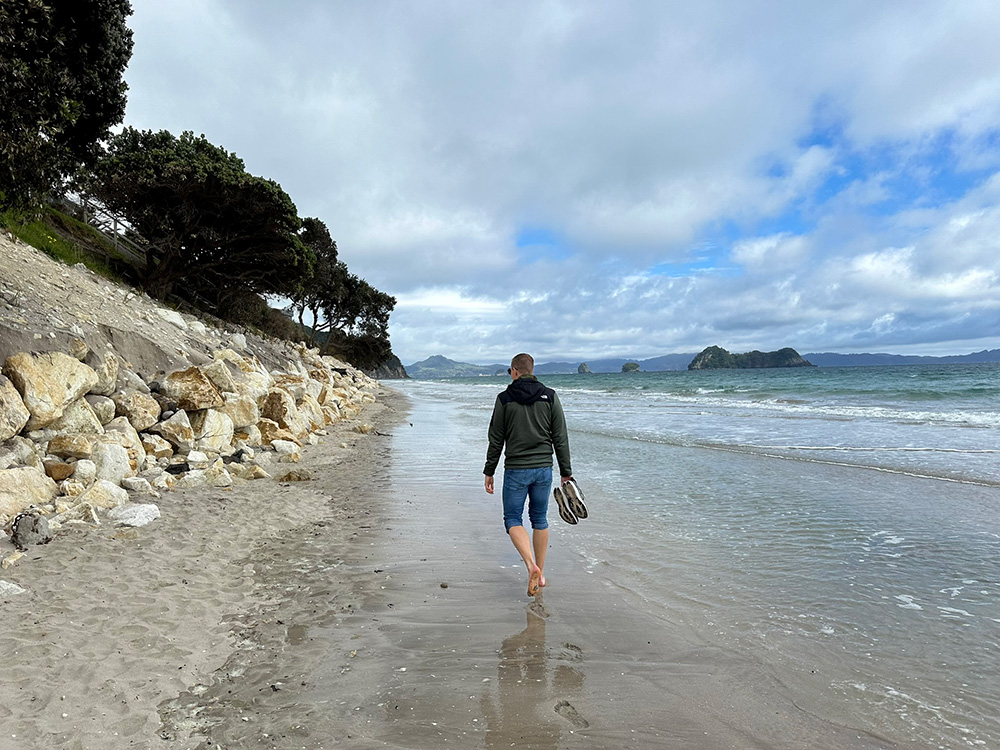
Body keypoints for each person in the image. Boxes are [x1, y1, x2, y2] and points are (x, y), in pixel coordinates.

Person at [484, 353, 573, 597]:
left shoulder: (504, 399)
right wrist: (566, 472)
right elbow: (560, 436)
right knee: (540, 519)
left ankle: (530, 565)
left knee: (513, 519)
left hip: (516, 469)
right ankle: (540, 573)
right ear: (532, 370)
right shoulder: (550, 396)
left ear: (514, 371)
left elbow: (496, 438)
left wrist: (489, 470)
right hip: (544, 469)